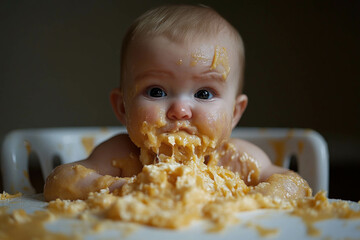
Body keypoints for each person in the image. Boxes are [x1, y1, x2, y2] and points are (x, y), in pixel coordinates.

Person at [44, 4, 311, 201]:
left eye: (204, 94)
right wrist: (118, 189)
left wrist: (254, 202)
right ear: (123, 108)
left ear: (234, 112)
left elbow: (294, 183)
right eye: (157, 92)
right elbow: (59, 181)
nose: (180, 111)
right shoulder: (120, 156)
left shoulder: (237, 159)